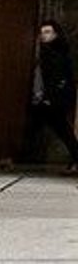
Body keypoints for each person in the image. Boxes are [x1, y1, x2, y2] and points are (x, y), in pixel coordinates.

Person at [28, 20, 78, 174]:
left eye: (48, 32)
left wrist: (51, 97)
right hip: (46, 98)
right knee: (59, 130)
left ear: (55, 34)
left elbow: (60, 78)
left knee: (62, 130)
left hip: (53, 100)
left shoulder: (56, 52)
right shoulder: (46, 51)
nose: (44, 35)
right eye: (42, 32)